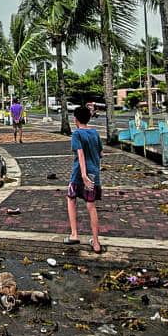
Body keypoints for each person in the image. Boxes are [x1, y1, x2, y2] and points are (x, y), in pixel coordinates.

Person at [63, 105, 103, 253]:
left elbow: (80, 154)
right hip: (94, 173)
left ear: (75, 119)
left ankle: (74, 234)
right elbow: (100, 154)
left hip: (79, 173)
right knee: (91, 206)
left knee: (71, 198)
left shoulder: (77, 134)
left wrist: (84, 174)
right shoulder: (94, 133)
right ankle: (96, 242)